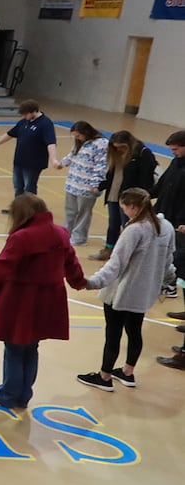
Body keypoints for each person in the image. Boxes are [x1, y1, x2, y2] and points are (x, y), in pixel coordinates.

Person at [0, 194, 87, 410]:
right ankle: (24, 394)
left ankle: (8, 394)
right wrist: (79, 282)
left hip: (21, 300)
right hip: (49, 300)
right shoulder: (61, 233)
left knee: (14, 347)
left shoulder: (22, 237)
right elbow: (71, 263)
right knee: (32, 347)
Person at [77, 188, 176, 391]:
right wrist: (169, 281)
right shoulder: (166, 227)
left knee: (113, 334)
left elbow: (116, 264)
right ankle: (128, 373)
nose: (123, 212)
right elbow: (168, 262)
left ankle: (104, 377)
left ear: (133, 206)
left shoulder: (135, 230)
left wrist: (92, 282)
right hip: (144, 293)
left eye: (124, 208)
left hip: (122, 293)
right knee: (134, 331)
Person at [93, 130, 158, 261]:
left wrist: (142, 196)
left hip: (130, 197)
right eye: (115, 147)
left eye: (122, 147)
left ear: (129, 144)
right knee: (113, 224)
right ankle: (109, 249)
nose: (118, 150)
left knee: (128, 226)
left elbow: (146, 177)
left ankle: (126, 254)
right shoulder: (115, 154)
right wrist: (102, 185)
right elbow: (112, 175)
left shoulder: (142, 153)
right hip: (114, 195)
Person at [0, 100, 60, 210]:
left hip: (33, 163)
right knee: (18, 186)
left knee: (29, 187)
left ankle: (30, 210)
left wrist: (53, 159)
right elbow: (10, 134)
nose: (24, 116)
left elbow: (51, 142)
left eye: (26, 114)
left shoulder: (45, 123)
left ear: (34, 111)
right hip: (19, 161)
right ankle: (18, 209)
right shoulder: (24, 122)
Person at [55, 121, 109, 246]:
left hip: (87, 186)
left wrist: (96, 184)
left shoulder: (101, 144)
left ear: (86, 132)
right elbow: (73, 154)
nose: (76, 138)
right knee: (70, 211)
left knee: (83, 213)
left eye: (78, 135)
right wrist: (62, 163)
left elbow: (101, 165)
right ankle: (66, 233)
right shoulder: (80, 143)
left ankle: (79, 237)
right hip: (73, 183)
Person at [154, 130, 185, 305]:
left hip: (180, 221)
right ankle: (166, 283)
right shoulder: (176, 163)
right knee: (164, 251)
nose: (173, 153)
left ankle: (171, 286)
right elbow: (163, 185)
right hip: (165, 214)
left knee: (178, 256)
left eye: (175, 149)